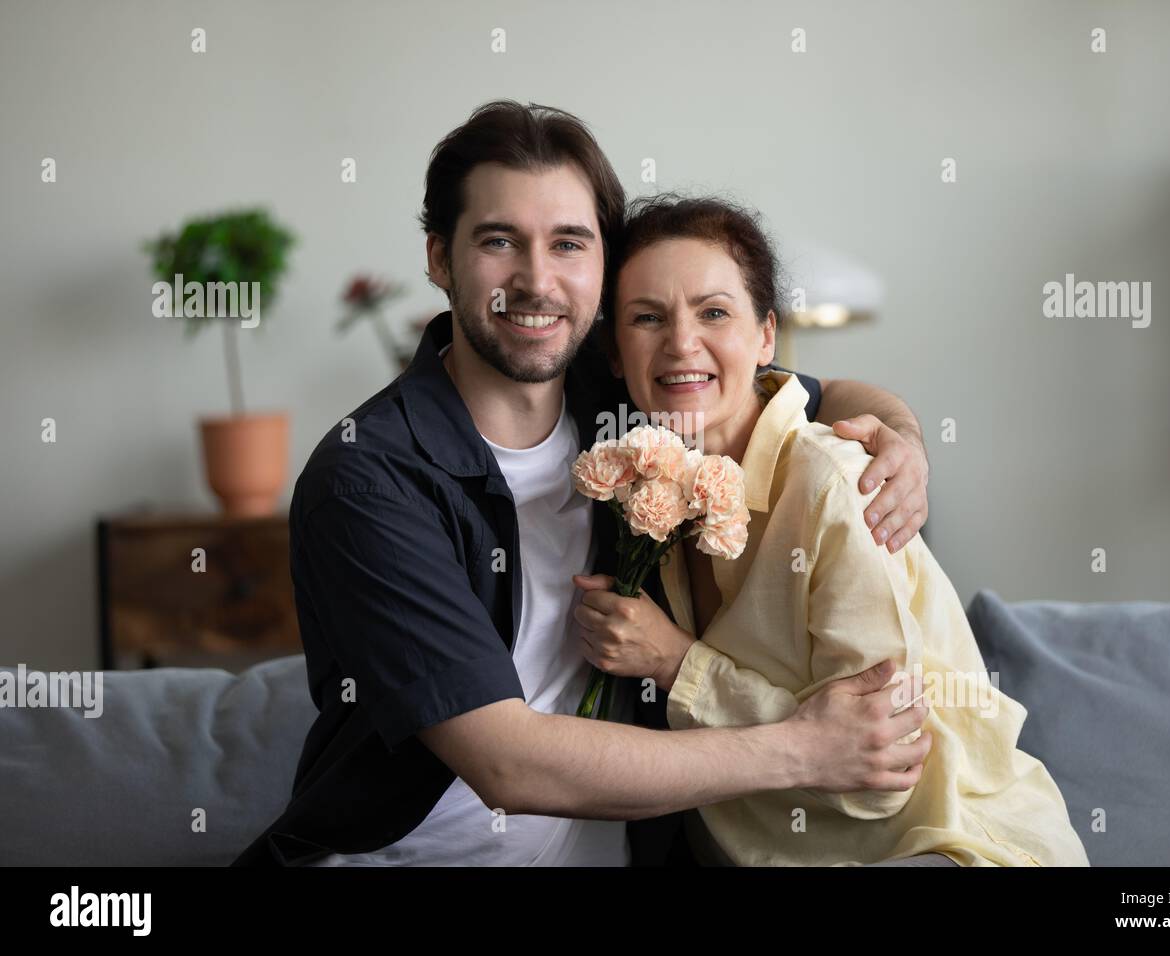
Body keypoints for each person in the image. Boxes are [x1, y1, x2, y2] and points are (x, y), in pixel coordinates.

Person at [232, 100, 937, 866]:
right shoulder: (369, 480)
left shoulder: (627, 395)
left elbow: (809, 392)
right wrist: (804, 750)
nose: (537, 281)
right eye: (499, 241)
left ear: (602, 265)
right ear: (439, 258)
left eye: (569, 244)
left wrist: (902, 439)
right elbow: (509, 762)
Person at [573, 194, 1090, 866]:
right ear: (614, 352)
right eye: (648, 318)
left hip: (936, 846)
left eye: (714, 312)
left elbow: (880, 773)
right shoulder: (644, 475)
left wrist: (676, 664)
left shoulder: (832, 483)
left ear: (766, 336)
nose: (680, 343)